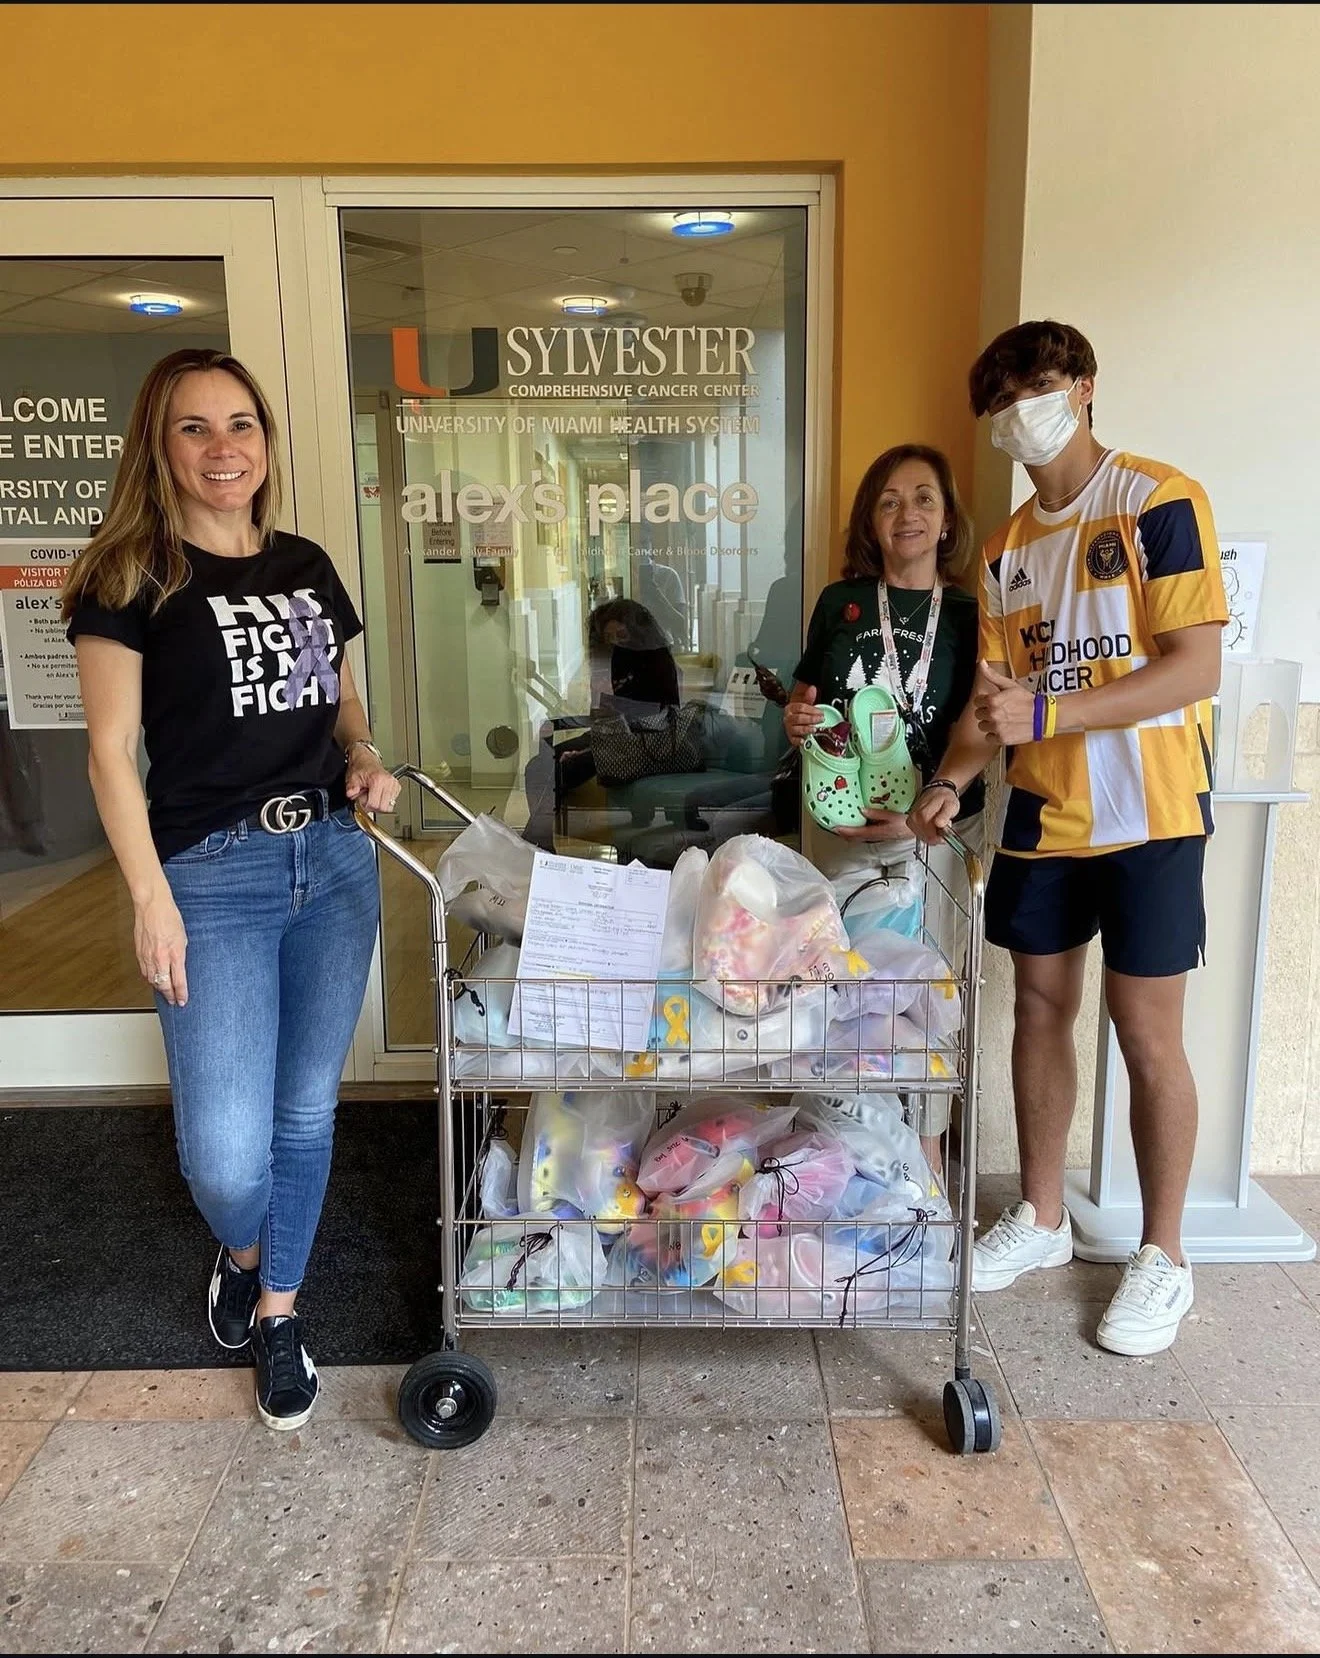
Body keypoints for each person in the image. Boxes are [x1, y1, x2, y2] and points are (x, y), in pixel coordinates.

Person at [62, 348, 399, 1430]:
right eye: (195, 428)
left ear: (266, 441)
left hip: (334, 860)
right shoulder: (129, 577)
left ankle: (280, 1312)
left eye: (241, 424)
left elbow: (343, 708)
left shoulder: (305, 561)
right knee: (221, 1148)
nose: (224, 448)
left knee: (305, 1108)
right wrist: (149, 896)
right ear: (159, 447)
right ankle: (246, 1249)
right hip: (212, 876)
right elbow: (111, 754)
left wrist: (363, 757)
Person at [908, 319, 1227, 1357]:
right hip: (1043, 818)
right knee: (1039, 1011)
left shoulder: (1158, 500)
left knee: (1146, 1031)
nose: (1019, 413)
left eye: (1036, 387)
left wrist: (1053, 714)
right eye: (998, 400)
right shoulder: (1004, 549)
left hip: (1151, 814)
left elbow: (1193, 667)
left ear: (1084, 387)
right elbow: (990, 702)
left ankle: (1163, 1255)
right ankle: (1042, 1217)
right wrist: (951, 782)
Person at [784, 444, 983, 1171]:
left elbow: (985, 724)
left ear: (947, 517)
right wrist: (797, 723)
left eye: (925, 497)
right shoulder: (838, 603)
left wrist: (929, 811)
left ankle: (927, 1155)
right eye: (891, 500)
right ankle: (841, 1143)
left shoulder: (969, 611)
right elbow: (805, 705)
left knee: (929, 998)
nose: (908, 513)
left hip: (934, 831)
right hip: (838, 828)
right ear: (872, 518)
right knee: (834, 988)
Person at [521, 597, 680, 850]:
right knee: (536, 767)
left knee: (563, 768)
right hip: (611, 733)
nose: (615, 642)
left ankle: (536, 839)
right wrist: (565, 725)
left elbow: (662, 714)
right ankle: (542, 836)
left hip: (644, 739)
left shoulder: (657, 660)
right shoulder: (610, 662)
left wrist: (589, 748)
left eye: (621, 634)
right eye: (609, 636)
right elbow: (600, 711)